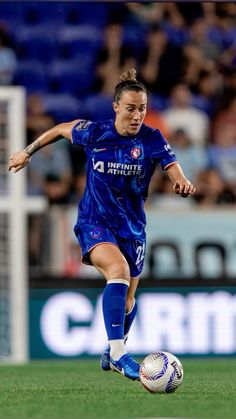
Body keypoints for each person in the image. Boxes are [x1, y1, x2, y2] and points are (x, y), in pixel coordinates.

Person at [8, 68, 195, 381]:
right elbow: (59, 129)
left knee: (128, 300)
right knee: (117, 271)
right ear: (116, 107)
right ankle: (120, 352)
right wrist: (27, 151)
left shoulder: (151, 137)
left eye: (143, 109)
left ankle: (112, 349)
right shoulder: (95, 133)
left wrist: (182, 181)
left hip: (132, 227)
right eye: (131, 108)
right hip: (95, 221)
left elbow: (172, 165)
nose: (137, 115)